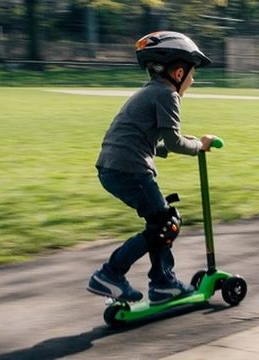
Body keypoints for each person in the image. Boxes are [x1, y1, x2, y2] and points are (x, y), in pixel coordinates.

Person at [87, 31, 216, 304]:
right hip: (130, 169)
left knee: (161, 222)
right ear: (179, 73)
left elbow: (148, 141)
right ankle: (112, 274)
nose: (192, 81)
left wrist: (173, 145)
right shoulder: (168, 95)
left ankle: (162, 283)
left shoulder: (149, 92)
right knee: (166, 224)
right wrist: (200, 145)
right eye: (192, 74)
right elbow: (174, 142)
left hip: (113, 166)